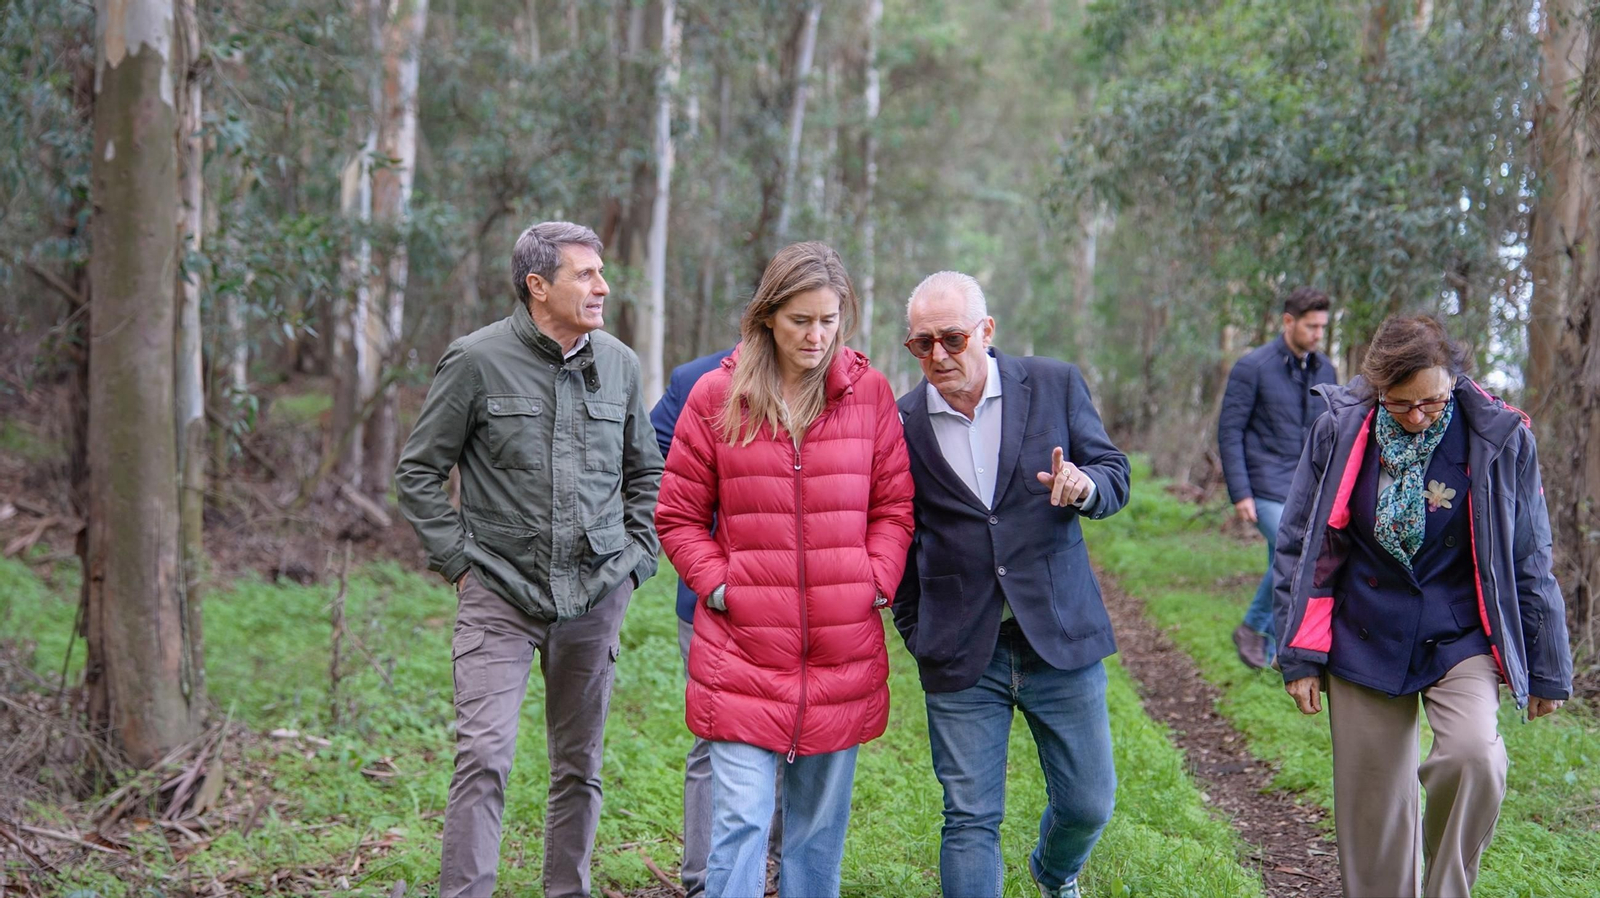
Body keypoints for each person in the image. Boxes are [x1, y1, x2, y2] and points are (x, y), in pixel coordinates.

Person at [394, 221, 663, 898]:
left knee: (580, 766)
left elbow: (646, 476)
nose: (602, 286)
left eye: (602, 272)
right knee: (483, 755)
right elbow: (419, 472)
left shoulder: (622, 366)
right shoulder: (475, 360)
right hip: (498, 593)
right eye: (585, 274)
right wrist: (458, 562)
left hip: (595, 594)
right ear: (537, 286)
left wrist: (633, 566)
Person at [1272, 315, 1572, 898]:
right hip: (1363, 627)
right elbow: (1304, 541)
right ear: (1377, 389)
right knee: (1375, 809)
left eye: (1431, 402)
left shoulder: (1500, 437)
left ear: (1453, 383)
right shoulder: (1340, 428)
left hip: (1457, 630)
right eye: (1400, 404)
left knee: (1475, 758)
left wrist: (1548, 665)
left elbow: (1531, 553)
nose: (1416, 417)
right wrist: (1301, 654)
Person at [655, 241, 915, 898]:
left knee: (815, 834)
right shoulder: (719, 395)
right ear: (769, 315)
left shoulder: (870, 394)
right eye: (802, 320)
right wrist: (719, 585)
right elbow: (678, 515)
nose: (817, 336)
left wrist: (875, 580)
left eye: (829, 320)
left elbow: (893, 506)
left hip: (841, 649)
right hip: (742, 648)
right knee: (741, 818)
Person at [892, 271, 1131, 898]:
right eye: (922, 344)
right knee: (969, 819)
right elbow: (897, 532)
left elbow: (1114, 471)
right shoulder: (901, 423)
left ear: (986, 331)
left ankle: (1054, 872)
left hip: (1058, 633)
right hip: (961, 648)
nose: (938, 355)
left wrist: (1086, 488)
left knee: (1089, 803)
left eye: (952, 337)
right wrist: (917, 630)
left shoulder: (1054, 384)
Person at [650, 346, 784, 897]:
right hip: (715, 604)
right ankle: (705, 878)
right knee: (717, 734)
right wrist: (717, 563)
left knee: (798, 738)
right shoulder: (695, 380)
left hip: (807, 608)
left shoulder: (828, 379)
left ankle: (773, 868)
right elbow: (656, 466)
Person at [1218, 286, 1337, 669]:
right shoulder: (1252, 367)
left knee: (1282, 560)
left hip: (1309, 487)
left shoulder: (1326, 370)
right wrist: (1240, 493)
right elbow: (1230, 432)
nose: (1318, 334)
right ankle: (1252, 628)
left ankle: (1274, 652)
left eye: (1322, 326)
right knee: (1299, 551)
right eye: (1311, 326)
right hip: (1264, 485)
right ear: (1288, 322)